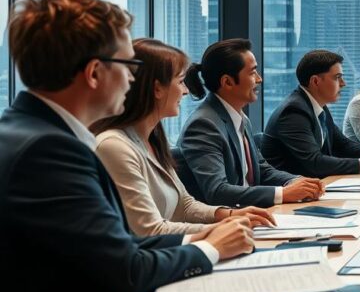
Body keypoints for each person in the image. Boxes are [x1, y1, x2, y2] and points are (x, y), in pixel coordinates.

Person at [0, 0, 253, 292]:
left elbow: (110, 243)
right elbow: (127, 271)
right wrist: (211, 250)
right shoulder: (49, 150)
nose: (134, 76)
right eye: (129, 64)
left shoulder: (29, 132)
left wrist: (199, 237)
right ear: (95, 73)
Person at [92, 38, 276, 236]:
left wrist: (230, 214)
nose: (186, 91)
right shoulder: (114, 146)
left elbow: (185, 205)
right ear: (157, 89)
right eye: (180, 82)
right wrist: (222, 229)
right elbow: (150, 230)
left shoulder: (153, 138)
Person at [178, 39, 324, 207]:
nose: (259, 79)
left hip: (251, 214)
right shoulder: (203, 125)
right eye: (252, 73)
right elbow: (217, 191)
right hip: (227, 223)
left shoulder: (240, 118)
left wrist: (298, 181)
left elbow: (262, 170)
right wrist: (283, 193)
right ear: (227, 82)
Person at [263, 50, 360, 177]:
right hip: (292, 193)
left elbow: (341, 144)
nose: (343, 83)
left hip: (315, 187)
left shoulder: (318, 107)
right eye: (337, 78)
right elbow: (314, 162)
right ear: (315, 81)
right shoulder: (293, 112)